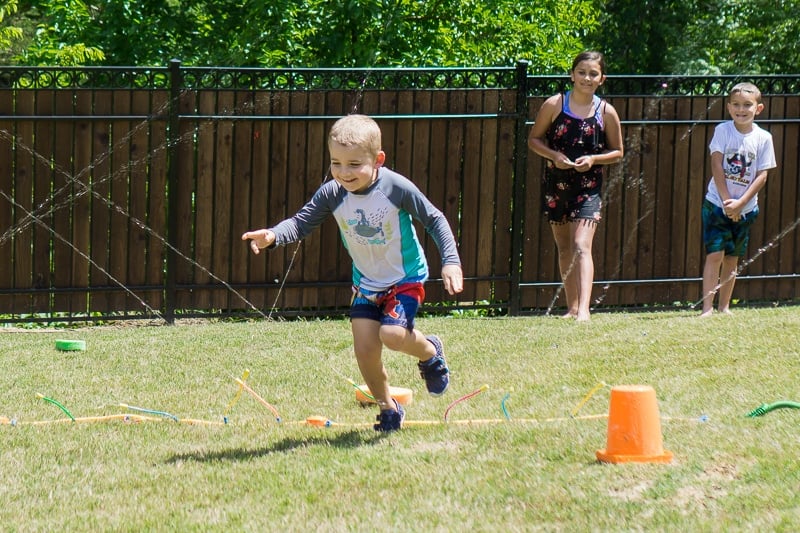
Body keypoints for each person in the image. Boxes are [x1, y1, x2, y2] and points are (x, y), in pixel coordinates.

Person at [242, 114, 464, 432]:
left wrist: (451, 261)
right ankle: (389, 407)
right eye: (337, 163)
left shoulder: (395, 187)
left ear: (378, 159)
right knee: (365, 349)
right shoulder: (333, 193)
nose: (344, 173)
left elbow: (435, 218)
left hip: (405, 277)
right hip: (366, 282)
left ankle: (429, 352)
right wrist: (274, 235)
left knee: (392, 335)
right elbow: (301, 221)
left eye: (354, 164)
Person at [527, 51, 624, 322]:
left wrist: (593, 158)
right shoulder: (555, 104)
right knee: (565, 246)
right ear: (572, 74)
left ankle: (584, 310)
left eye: (593, 73)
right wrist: (554, 156)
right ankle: (571, 308)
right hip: (557, 184)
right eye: (581, 72)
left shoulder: (606, 111)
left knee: (582, 244)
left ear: (602, 79)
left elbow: (618, 151)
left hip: (589, 186)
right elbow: (534, 140)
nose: (587, 78)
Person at [700, 82, 776, 317]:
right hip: (716, 203)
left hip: (746, 208)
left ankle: (724, 307)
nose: (741, 110)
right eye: (736, 105)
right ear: (729, 107)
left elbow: (762, 175)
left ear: (758, 108)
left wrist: (741, 203)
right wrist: (726, 201)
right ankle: (707, 308)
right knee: (715, 255)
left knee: (732, 258)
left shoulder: (764, 138)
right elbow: (716, 163)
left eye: (747, 105)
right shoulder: (723, 130)